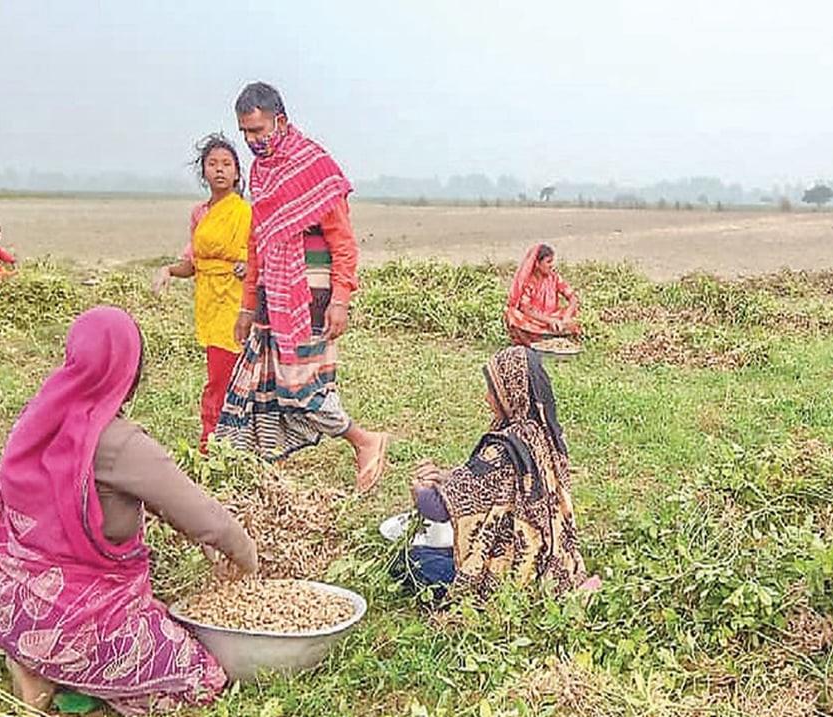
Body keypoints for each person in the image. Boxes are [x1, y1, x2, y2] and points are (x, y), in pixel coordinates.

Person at [0, 306, 258, 716]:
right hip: (77, 623)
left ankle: (33, 661)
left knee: (160, 615)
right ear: (131, 369)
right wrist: (247, 557)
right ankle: (59, 669)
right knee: (202, 680)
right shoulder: (118, 442)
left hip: (16, 610)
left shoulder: (37, 419)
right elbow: (209, 521)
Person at [214, 82, 388, 492]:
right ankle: (263, 471)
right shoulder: (260, 173)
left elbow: (343, 241)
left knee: (300, 387)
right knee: (262, 383)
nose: (253, 141)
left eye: (258, 131)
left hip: (310, 294)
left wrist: (341, 299)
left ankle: (364, 441)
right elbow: (258, 241)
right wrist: (246, 305)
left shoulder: (314, 166)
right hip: (272, 291)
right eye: (245, 134)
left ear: (281, 121)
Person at [404, 346, 589, 598]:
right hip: (548, 563)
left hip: (505, 572)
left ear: (511, 394)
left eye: (493, 391)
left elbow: (437, 509)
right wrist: (447, 478)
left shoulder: (503, 450)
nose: (487, 398)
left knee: (412, 561)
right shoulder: (548, 438)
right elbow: (490, 486)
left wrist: (421, 491)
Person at [152, 134, 252, 450]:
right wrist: (168, 270)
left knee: (230, 378)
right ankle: (215, 443)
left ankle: (219, 444)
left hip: (239, 303)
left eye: (226, 164)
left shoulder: (246, 212)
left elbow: (260, 255)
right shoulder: (199, 214)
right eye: (212, 164)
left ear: (237, 172)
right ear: (204, 172)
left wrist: (250, 266)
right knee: (218, 374)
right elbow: (193, 262)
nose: (219, 170)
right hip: (209, 301)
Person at [504, 243, 582, 346]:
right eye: (548, 262)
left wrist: (566, 318)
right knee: (512, 315)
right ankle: (548, 336)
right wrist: (549, 321)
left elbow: (573, 298)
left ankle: (548, 335)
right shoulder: (529, 282)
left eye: (552, 261)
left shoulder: (554, 277)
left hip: (555, 318)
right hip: (536, 321)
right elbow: (525, 310)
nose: (551, 265)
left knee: (576, 312)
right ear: (537, 263)